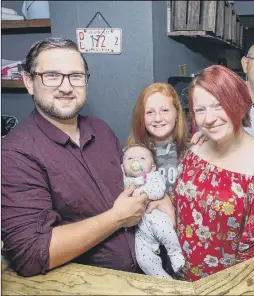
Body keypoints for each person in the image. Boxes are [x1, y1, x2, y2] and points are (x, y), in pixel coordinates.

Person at [1, 37, 171, 277]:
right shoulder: (15, 153)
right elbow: (30, 254)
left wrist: (157, 197)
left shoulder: (100, 130)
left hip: (146, 273)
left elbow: (129, 182)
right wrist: (117, 217)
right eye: (51, 75)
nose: (66, 87)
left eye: (76, 76)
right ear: (29, 81)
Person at [172, 65, 254, 281]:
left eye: (218, 105)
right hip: (178, 273)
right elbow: (178, 205)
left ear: (240, 103)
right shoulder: (195, 148)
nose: (209, 118)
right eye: (200, 109)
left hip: (225, 285)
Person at [122, 144, 185, 278]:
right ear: (122, 167)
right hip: (139, 228)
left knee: (165, 230)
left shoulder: (152, 176)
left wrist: (145, 192)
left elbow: (159, 190)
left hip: (154, 216)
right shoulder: (123, 181)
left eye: (142, 158)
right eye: (130, 158)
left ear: (153, 167)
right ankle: (163, 279)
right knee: (143, 259)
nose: (136, 161)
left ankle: (175, 254)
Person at [127, 82, 190, 196]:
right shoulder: (132, 155)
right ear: (141, 118)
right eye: (150, 112)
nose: (157, 118)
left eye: (165, 110)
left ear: (177, 113)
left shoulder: (193, 151)